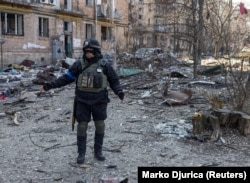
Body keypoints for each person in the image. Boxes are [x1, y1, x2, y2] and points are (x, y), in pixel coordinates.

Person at [40, 38, 125, 164]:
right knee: (82, 126)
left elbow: (114, 81)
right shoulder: (78, 65)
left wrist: (119, 92)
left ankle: (98, 151)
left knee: (100, 125)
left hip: (100, 100)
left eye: (91, 51)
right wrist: (49, 86)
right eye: (86, 51)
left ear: (96, 51)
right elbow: (66, 79)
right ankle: (81, 153)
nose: (88, 53)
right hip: (82, 100)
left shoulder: (105, 65)